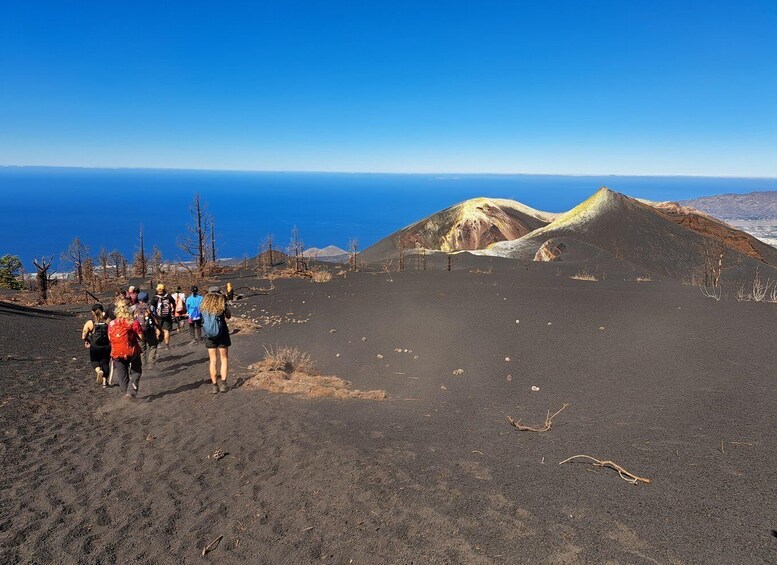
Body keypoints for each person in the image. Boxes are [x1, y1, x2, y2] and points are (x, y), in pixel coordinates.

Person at [108, 298, 144, 400]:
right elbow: (141, 337)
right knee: (136, 370)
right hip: (132, 351)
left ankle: (126, 393)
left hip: (117, 352)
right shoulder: (132, 322)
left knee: (122, 375)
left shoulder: (111, 324)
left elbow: (110, 338)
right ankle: (133, 388)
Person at [201, 286, 231, 394]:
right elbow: (228, 316)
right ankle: (223, 384)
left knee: (213, 360)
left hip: (209, 335)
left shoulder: (204, 304)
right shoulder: (221, 302)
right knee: (224, 359)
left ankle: (214, 386)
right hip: (222, 334)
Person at [81, 303, 111, 388]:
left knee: (94, 361)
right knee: (105, 362)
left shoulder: (90, 322)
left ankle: (98, 371)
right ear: (103, 311)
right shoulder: (108, 322)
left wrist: (87, 341)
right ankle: (105, 382)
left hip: (95, 346)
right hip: (106, 346)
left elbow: (83, 336)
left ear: (92, 312)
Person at [132, 292, 159, 367]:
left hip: (139, 330)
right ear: (147, 298)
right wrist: (158, 328)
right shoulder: (151, 307)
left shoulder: (134, 307)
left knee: (142, 349)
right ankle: (151, 363)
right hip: (150, 329)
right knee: (153, 345)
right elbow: (155, 318)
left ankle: (143, 365)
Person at [150, 283, 175, 350]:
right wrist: (172, 310)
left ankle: (159, 344)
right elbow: (173, 302)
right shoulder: (168, 296)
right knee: (166, 330)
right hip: (167, 316)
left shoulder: (155, 298)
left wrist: (153, 316)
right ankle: (167, 345)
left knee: (158, 329)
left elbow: (152, 308)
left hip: (158, 316)